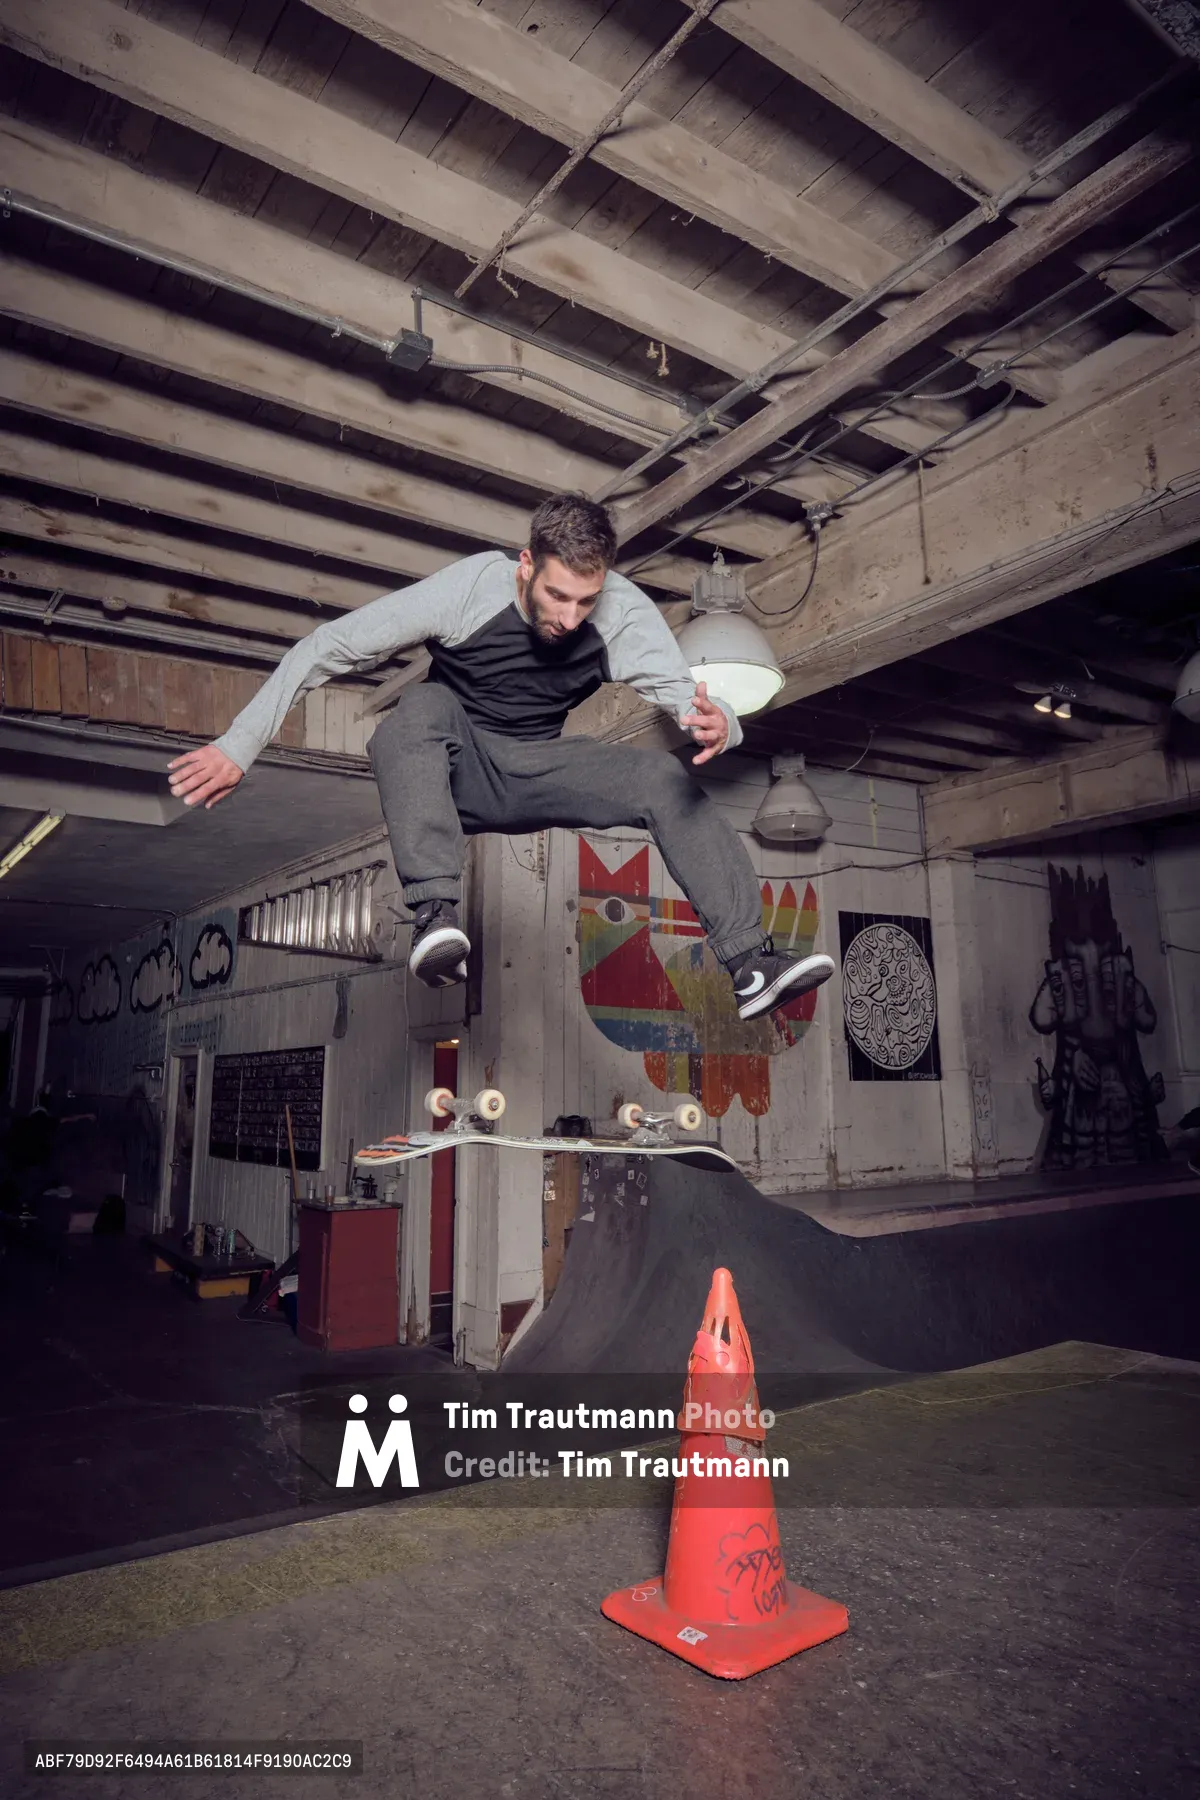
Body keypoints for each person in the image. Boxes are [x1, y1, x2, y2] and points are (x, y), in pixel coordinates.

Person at [167, 494, 834, 1021]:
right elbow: (326, 646)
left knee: (665, 777)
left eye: (586, 600)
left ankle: (749, 964)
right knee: (419, 713)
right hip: (452, 770)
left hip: (537, 771)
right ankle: (434, 912)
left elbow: (695, 707)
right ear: (525, 565)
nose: (570, 617)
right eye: (555, 596)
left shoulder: (622, 614)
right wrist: (239, 744)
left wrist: (725, 727)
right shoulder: (470, 589)